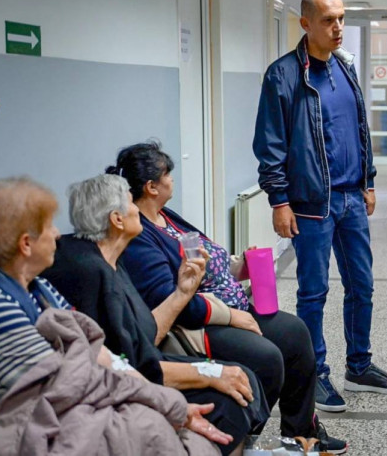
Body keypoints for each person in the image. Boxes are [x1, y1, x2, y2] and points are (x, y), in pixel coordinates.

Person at [107, 144, 346, 454]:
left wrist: (239, 265)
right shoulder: (141, 237)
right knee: (267, 358)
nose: (172, 180)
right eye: (168, 175)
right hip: (199, 323)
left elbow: (205, 261)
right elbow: (172, 300)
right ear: (152, 187)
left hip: (228, 307)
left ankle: (300, 435)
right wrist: (232, 316)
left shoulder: (167, 216)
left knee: (295, 333)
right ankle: (241, 437)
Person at [253, 0, 387, 413]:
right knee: (313, 291)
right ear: (306, 24)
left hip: (351, 198)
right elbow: (270, 144)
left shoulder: (345, 67)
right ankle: (313, 374)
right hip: (310, 204)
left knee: (362, 285)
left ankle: (359, 367)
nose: (338, 27)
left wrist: (368, 180)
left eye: (341, 18)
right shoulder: (283, 75)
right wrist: (279, 200)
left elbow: (359, 127)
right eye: (328, 20)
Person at [0, 176, 227, 455]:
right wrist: (166, 401)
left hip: (87, 394)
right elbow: (66, 382)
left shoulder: (40, 287)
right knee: (154, 428)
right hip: (41, 422)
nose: (57, 234)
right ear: (26, 244)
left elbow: (99, 352)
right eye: (49, 227)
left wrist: (163, 400)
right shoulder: (0, 304)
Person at [42, 174, 270, 456]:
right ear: (117, 219)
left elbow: (147, 336)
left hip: (136, 366)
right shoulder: (90, 272)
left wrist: (183, 292)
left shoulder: (111, 259)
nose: (137, 210)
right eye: (131, 203)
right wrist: (209, 373)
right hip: (121, 382)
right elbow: (128, 364)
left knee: (243, 378)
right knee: (231, 398)